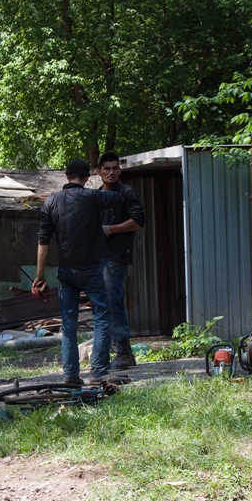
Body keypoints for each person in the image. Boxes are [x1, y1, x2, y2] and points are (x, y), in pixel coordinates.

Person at [33, 159, 123, 385]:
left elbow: (43, 241)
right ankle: (99, 371)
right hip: (90, 267)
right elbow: (117, 198)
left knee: (68, 323)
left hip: (66, 270)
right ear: (86, 177)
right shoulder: (93, 197)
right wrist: (106, 179)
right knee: (102, 315)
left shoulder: (50, 202)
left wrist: (39, 275)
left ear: (66, 176)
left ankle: (71, 375)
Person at [97, 151, 146, 370]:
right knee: (102, 303)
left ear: (120, 170)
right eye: (106, 168)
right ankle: (104, 353)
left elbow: (138, 220)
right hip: (97, 256)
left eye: (114, 168)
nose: (111, 172)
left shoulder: (126, 192)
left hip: (116, 255)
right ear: (98, 172)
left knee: (112, 300)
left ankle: (124, 353)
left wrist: (111, 229)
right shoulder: (96, 195)